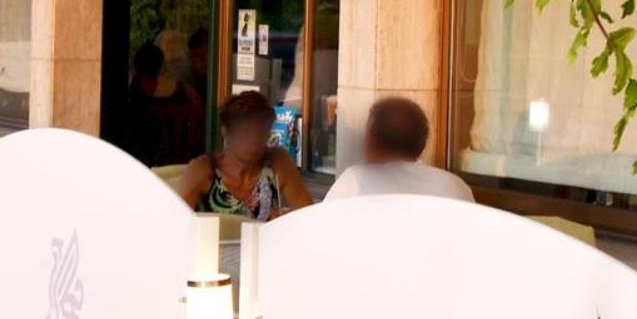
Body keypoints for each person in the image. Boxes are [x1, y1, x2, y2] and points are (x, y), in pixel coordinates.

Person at [176, 89, 313, 221]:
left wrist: (287, 220)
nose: (254, 140)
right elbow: (175, 223)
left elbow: (309, 216)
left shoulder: (277, 162)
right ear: (226, 133)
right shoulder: (204, 169)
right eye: (246, 132)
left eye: (261, 131)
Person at [324, 97, 474, 202]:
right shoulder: (454, 186)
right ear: (422, 144)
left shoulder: (353, 182)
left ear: (371, 142)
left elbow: (320, 234)